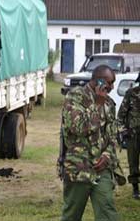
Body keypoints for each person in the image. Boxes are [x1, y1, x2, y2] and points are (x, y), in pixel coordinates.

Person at [59, 65, 120, 221]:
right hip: (79, 168)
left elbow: (113, 135)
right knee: (72, 214)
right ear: (98, 81)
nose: (112, 87)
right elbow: (79, 128)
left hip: (102, 169)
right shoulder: (74, 97)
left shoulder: (109, 103)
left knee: (107, 211)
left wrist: (107, 155)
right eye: (109, 82)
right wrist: (97, 104)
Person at [117, 72, 140, 199]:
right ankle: (135, 188)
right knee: (133, 162)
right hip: (133, 134)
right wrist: (123, 131)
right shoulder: (131, 93)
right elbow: (121, 115)